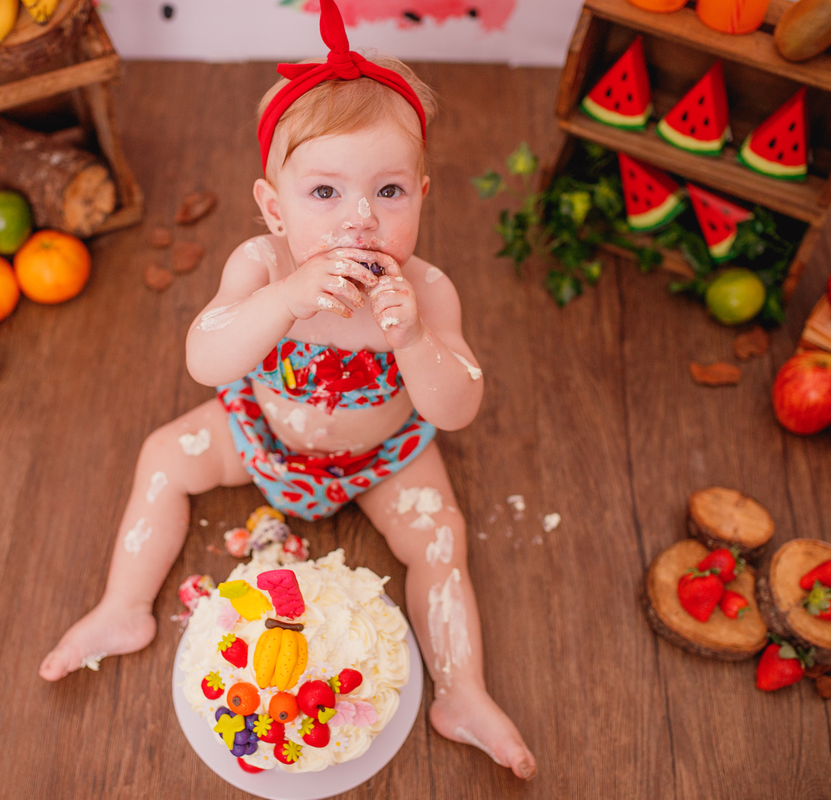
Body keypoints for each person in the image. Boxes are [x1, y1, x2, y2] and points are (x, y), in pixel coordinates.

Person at [40, 0, 535, 780]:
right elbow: (206, 359)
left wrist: (414, 340)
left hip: (384, 456)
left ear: (422, 193)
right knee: (164, 457)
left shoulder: (428, 290)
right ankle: (122, 609)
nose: (360, 220)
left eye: (389, 192)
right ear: (274, 207)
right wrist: (282, 301)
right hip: (261, 435)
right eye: (325, 194)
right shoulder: (262, 265)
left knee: (441, 539)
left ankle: (462, 692)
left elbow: (458, 408)